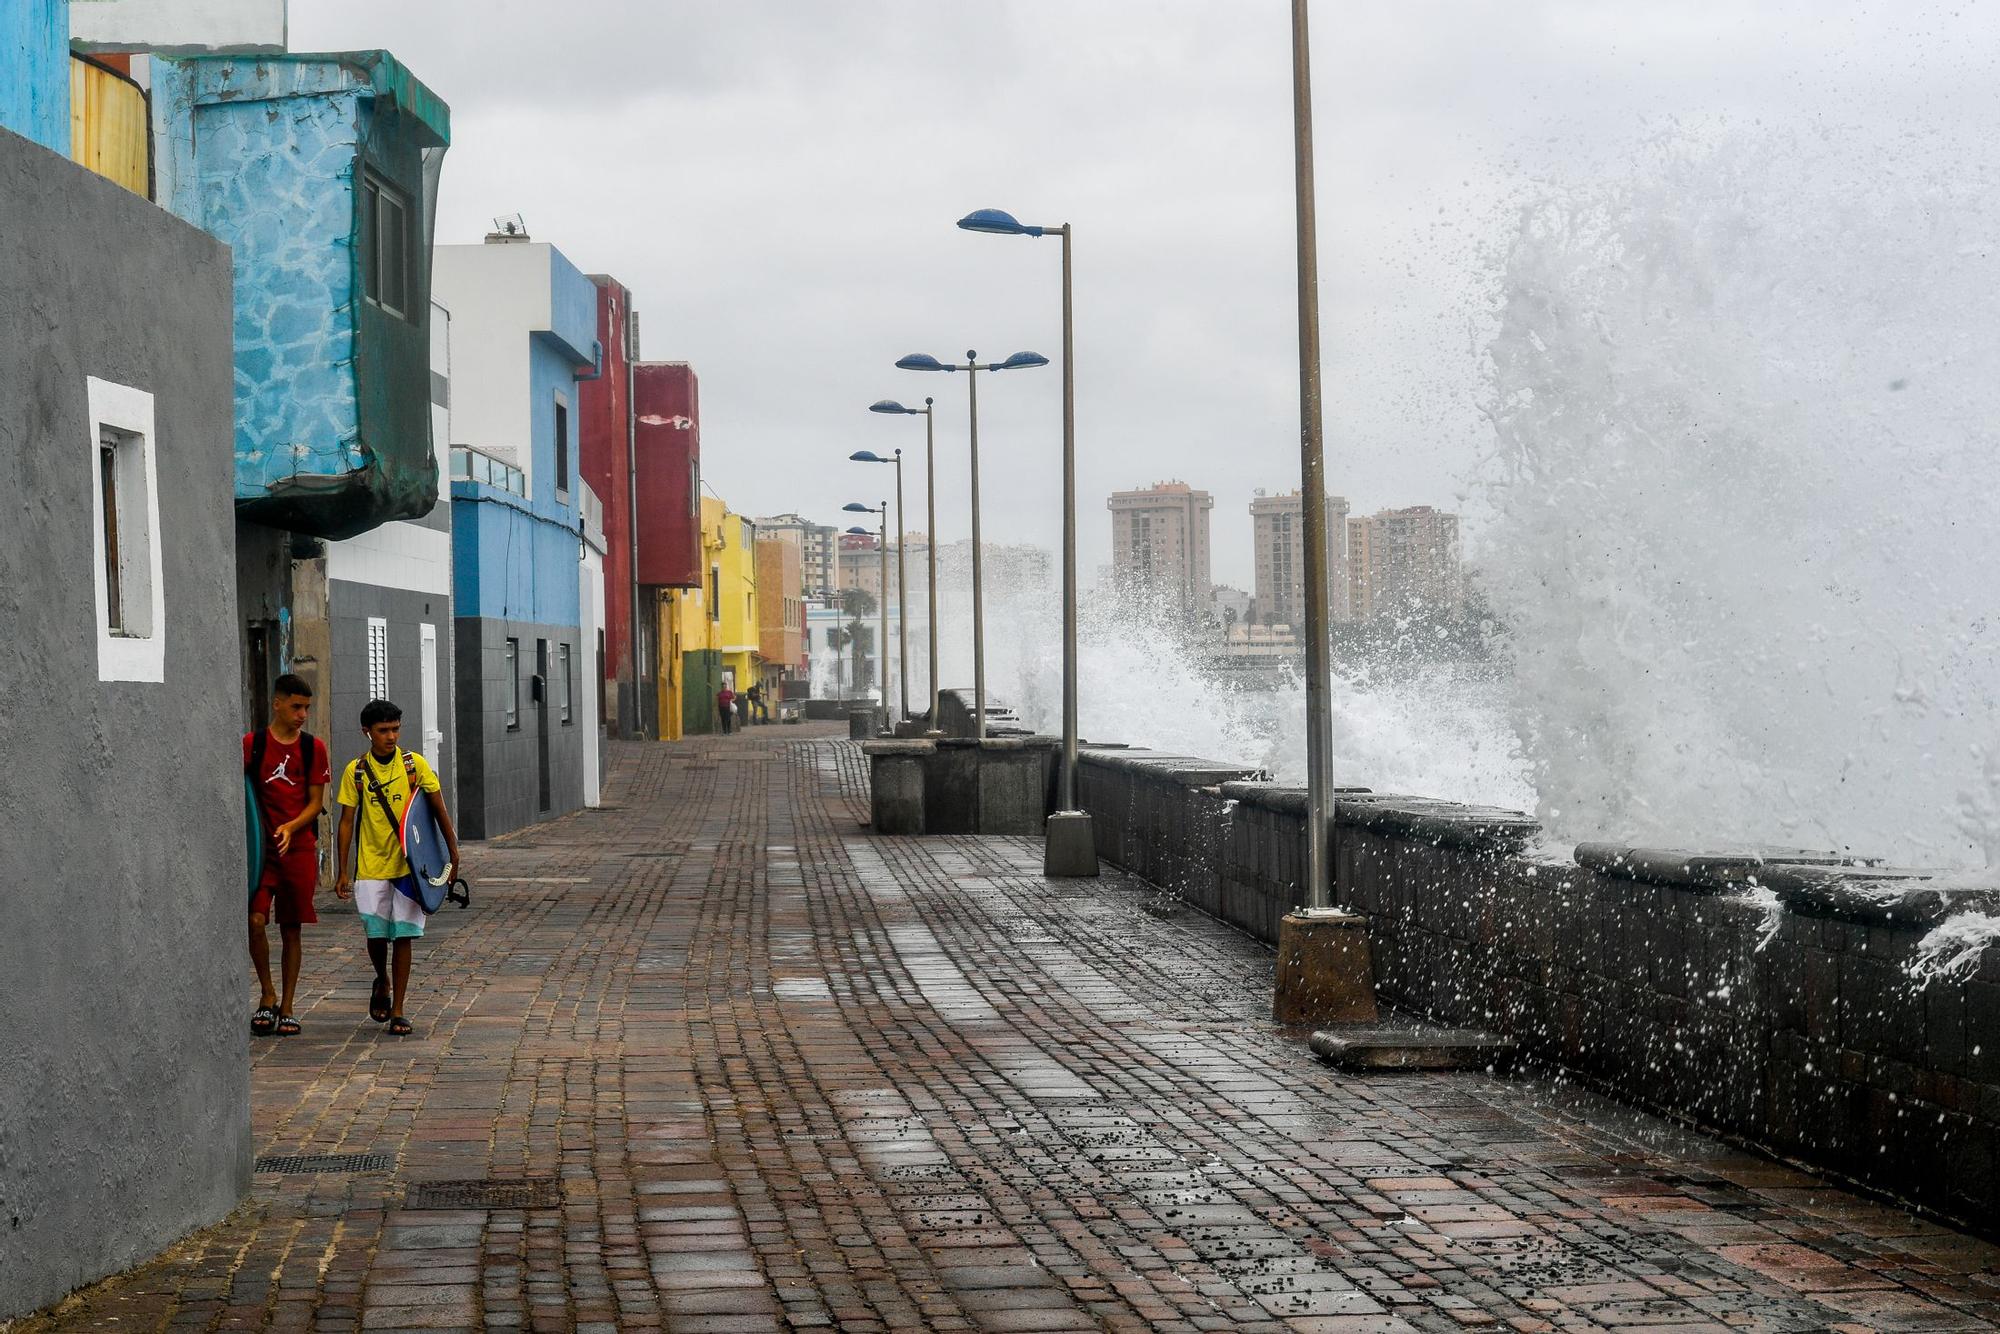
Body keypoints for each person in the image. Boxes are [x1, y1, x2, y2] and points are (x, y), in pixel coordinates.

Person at [333, 698, 459, 1037]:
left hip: (409, 867)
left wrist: (452, 851)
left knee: (403, 935)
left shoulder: (413, 765)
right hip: (370, 866)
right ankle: (382, 980)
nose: (391, 736)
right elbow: (346, 822)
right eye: (383, 730)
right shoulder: (355, 771)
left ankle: (399, 1009)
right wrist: (342, 869)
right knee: (376, 936)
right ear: (367, 732)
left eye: (395, 729)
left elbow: (436, 807)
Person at [244, 673, 331, 1037]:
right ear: (277, 703)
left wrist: (292, 827)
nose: (302, 714)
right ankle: (267, 994)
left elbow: (316, 804)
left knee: (291, 928)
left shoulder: (313, 748)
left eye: (306, 708)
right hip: (263, 852)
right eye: (296, 706)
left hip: (297, 849)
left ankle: (289, 1005)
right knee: (254, 921)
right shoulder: (253, 745)